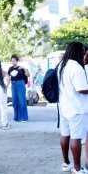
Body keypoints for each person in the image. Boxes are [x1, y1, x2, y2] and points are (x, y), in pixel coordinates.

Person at [57, 42, 88, 174]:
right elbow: (81, 89)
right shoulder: (76, 67)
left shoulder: (61, 65)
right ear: (78, 52)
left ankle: (66, 163)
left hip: (63, 107)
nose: (84, 53)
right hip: (76, 108)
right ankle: (77, 169)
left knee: (65, 135)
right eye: (83, 51)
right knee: (75, 138)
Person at [7, 54, 29, 122]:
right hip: (13, 84)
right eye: (12, 61)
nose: (13, 62)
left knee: (22, 101)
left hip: (20, 83)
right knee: (15, 102)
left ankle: (23, 117)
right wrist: (7, 85)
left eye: (14, 61)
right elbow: (8, 77)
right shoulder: (10, 68)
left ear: (17, 61)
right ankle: (16, 117)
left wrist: (24, 69)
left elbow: (28, 75)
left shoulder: (21, 68)